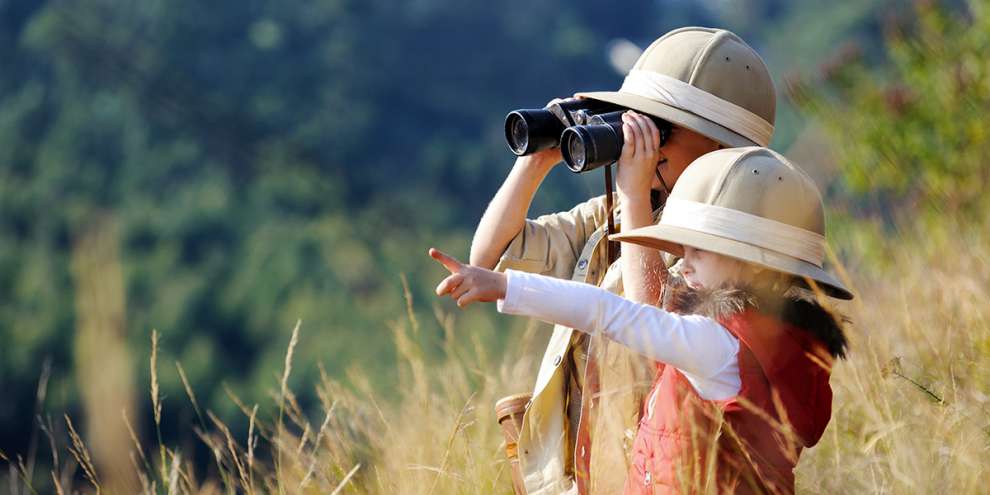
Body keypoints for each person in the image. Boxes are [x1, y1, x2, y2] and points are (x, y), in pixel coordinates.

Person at [430, 146, 853, 494]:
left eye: (700, 250)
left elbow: (609, 313)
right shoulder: (780, 346)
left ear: (757, 266)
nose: (683, 263)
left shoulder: (718, 345)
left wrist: (506, 286)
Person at [470, 27, 777, 494]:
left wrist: (634, 194)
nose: (645, 138)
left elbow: (653, 326)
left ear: (720, 148)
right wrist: (537, 160)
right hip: (588, 470)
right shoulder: (612, 217)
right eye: (637, 120)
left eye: (663, 128)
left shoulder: (728, 251)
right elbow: (492, 255)